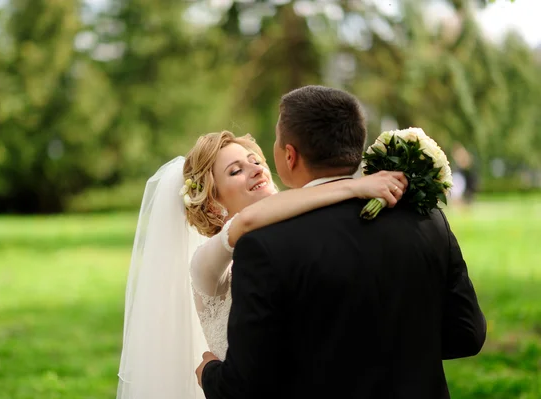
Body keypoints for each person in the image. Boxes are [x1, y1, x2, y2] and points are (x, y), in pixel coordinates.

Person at [196, 86, 487, 399]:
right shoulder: (428, 220)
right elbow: (467, 334)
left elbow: (244, 387)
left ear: (289, 156)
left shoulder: (265, 247)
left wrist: (208, 372)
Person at [117, 129, 408, 399]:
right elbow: (246, 220)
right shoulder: (205, 262)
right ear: (213, 200)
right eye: (235, 171)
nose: (255, 169)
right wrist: (354, 187)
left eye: (255, 161)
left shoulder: (296, 235)